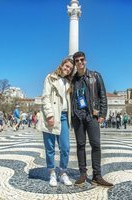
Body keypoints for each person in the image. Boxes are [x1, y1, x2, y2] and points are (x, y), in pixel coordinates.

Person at [71, 51, 113, 187]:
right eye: (77, 61)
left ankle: (97, 175)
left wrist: (102, 114)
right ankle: (83, 173)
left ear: (86, 61)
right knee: (80, 145)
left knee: (96, 144)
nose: (80, 62)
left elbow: (102, 96)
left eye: (82, 60)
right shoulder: (73, 80)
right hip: (78, 117)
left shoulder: (95, 76)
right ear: (75, 63)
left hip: (92, 116)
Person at [39, 58, 74, 187]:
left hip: (64, 116)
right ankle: (52, 172)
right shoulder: (50, 77)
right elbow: (45, 96)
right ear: (62, 65)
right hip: (52, 115)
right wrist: (49, 114)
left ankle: (63, 172)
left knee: (65, 147)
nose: (68, 69)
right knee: (50, 148)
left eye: (70, 68)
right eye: (66, 66)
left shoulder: (69, 82)